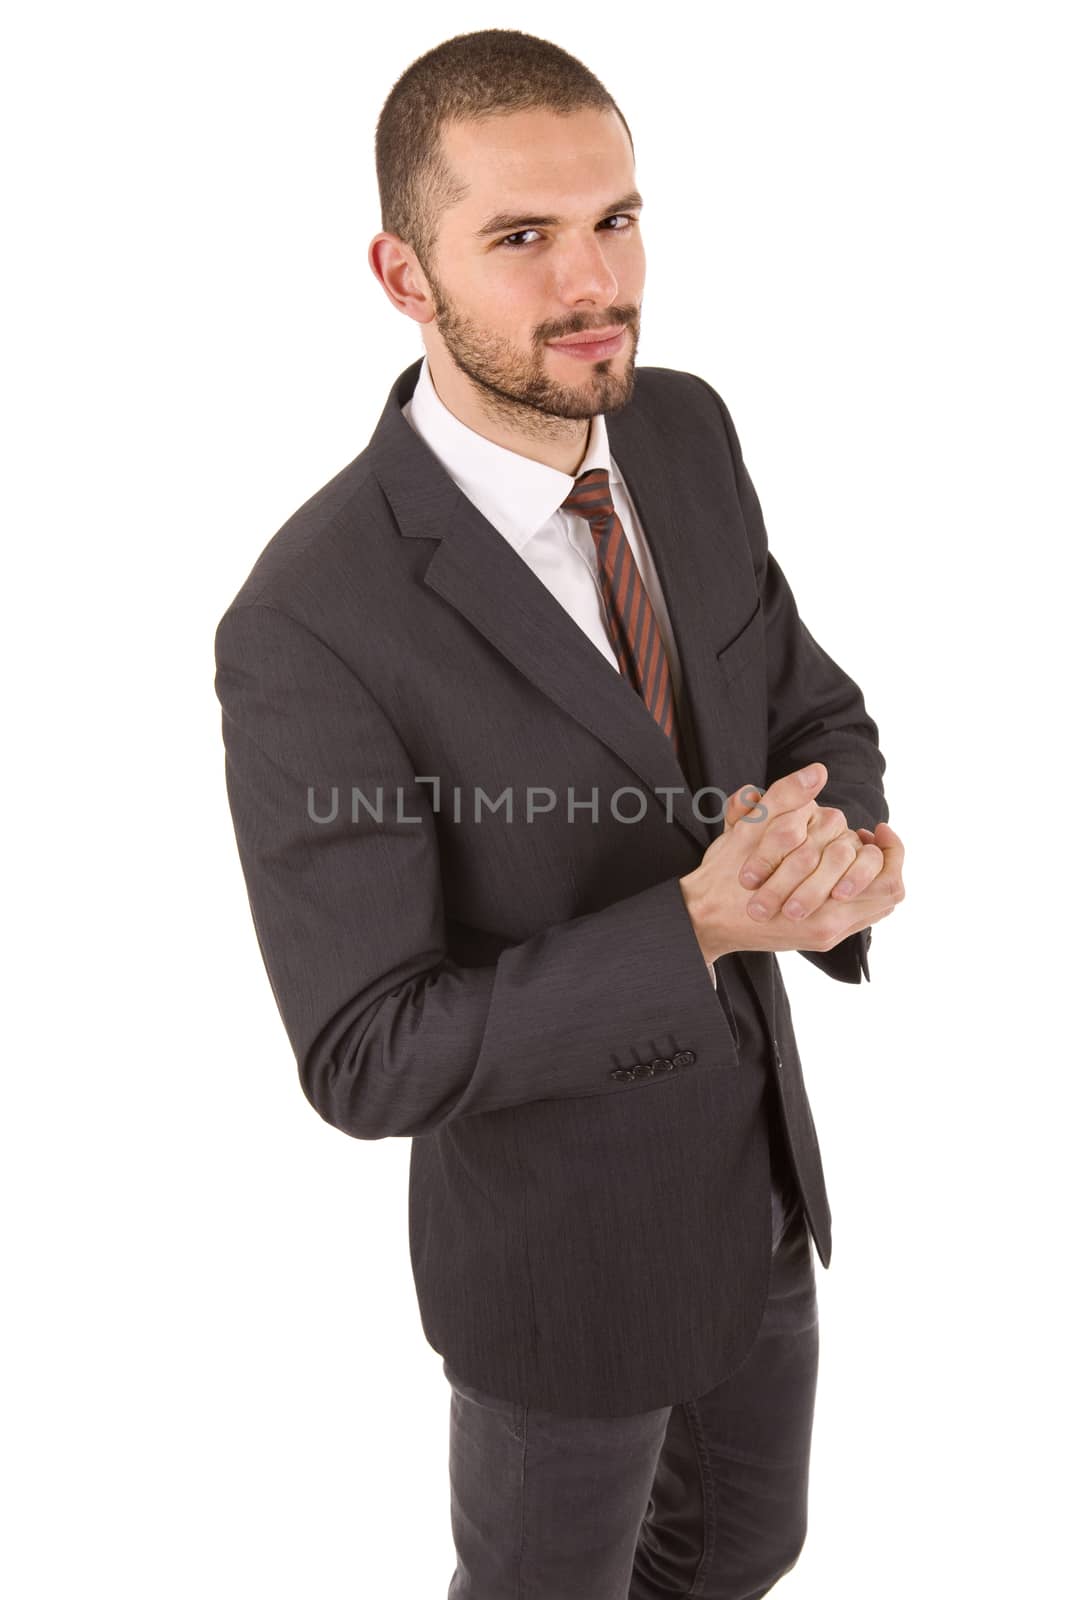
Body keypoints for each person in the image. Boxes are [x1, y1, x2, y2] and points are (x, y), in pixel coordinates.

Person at [213, 27, 904, 1599]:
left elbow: (805, 704)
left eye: (617, 218)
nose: (593, 281)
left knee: (743, 1553)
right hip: (561, 1274)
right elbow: (367, 1054)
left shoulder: (683, 429)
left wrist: (845, 854)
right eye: (521, 238)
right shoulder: (311, 619)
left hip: (762, 1194)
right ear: (404, 274)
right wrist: (698, 924)